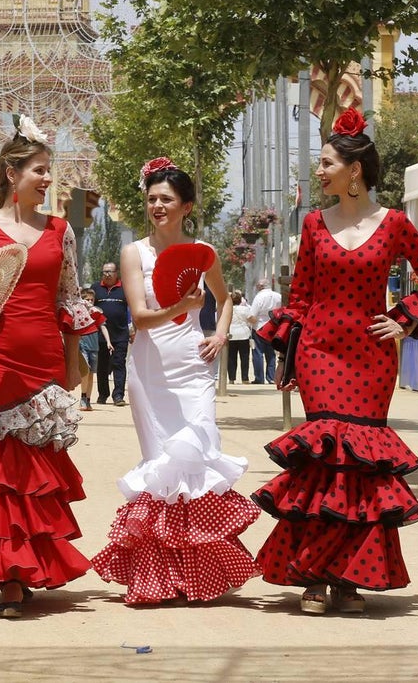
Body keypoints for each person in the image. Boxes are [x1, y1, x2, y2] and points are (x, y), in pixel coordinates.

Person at [251, 107, 418, 615]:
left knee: (361, 466)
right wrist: (287, 356)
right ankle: (313, 575)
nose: (319, 172)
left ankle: (346, 579)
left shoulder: (393, 223)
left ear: (354, 170)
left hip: (371, 357)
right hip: (319, 353)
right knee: (325, 459)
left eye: (326, 163)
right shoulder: (311, 223)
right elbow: (300, 296)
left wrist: (405, 320)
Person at [91, 157, 261, 604]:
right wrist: (182, 308)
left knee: (199, 455)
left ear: (186, 205)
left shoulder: (203, 251)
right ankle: (160, 578)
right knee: (161, 466)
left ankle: (198, 574)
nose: (157, 206)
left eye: (167, 199)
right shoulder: (134, 253)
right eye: (151, 199)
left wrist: (219, 333)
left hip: (192, 366)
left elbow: (224, 299)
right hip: (149, 369)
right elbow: (141, 319)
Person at [0, 114, 96, 619]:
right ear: (12, 175)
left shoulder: (62, 230)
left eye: (48, 169)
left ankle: (30, 567)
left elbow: (70, 299)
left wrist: (74, 366)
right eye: (39, 170)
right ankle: (10, 576)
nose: (48, 179)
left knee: (35, 470)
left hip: (44, 357)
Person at [94, 261, 131, 405]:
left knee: (119, 365)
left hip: (121, 334)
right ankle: (103, 394)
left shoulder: (125, 288)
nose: (107, 274)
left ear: (117, 273)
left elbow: (132, 309)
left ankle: (118, 396)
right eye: (104, 272)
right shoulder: (95, 288)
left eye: (110, 272)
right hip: (101, 335)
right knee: (102, 366)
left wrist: (133, 327)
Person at [78, 287, 109, 411]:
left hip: (94, 346)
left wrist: (108, 342)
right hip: (83, 345)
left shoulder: (96, 312)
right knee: (84, 373)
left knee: (91, 375)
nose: (90, 302)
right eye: (87, 299)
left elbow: (103, 327)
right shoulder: (79, 313)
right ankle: (83, 397)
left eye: (92, 300)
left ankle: (88, 400)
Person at [248, 278, 281, 385]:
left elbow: (253, 315)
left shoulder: (259, 297)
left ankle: (259, 378)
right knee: (271, 354)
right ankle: (271, 377)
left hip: (259, 327)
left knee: (257, 354)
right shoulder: (278, 296)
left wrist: (248, 322)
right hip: (274, 327)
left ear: (260, 286)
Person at [227, 290, 253, 385]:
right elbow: (252, 319)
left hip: (231, 335)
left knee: (231, 358)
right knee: (245, 358)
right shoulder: (245, 309)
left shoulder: (228, 309)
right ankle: (245, 378)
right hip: (244, 335)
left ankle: (231, 378)